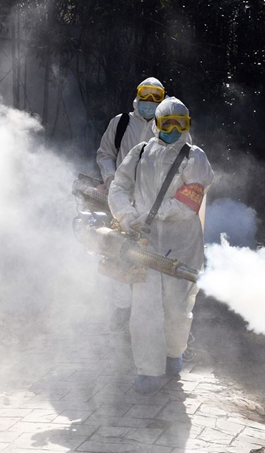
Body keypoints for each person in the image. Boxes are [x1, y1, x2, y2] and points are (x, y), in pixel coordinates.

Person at [107, 97, 214, 393]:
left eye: (181, 124)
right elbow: (118, 187)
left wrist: (148, 214)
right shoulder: (140, 153)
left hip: (183, 242)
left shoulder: (196, 158)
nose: (175, 130)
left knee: (177, 307)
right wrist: (127, 217)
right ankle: (148, 371)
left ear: (188, 125)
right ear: (156, 124)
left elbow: (188, 202)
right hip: (146, 240)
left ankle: (173, 353)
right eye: (168, 124)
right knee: (144, 307)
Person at [96, 77, 166, 333]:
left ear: (162, 99)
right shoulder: (121, 122)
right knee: (118, 251)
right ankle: (122, 308)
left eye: (155, 96)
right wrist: (111, 179)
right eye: (144, 95)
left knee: (150, 255)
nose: (149, 101)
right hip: (122, 199)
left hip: (154, 204)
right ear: (137, 96)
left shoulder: (167, 125)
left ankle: (148, 311)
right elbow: (105, 154)